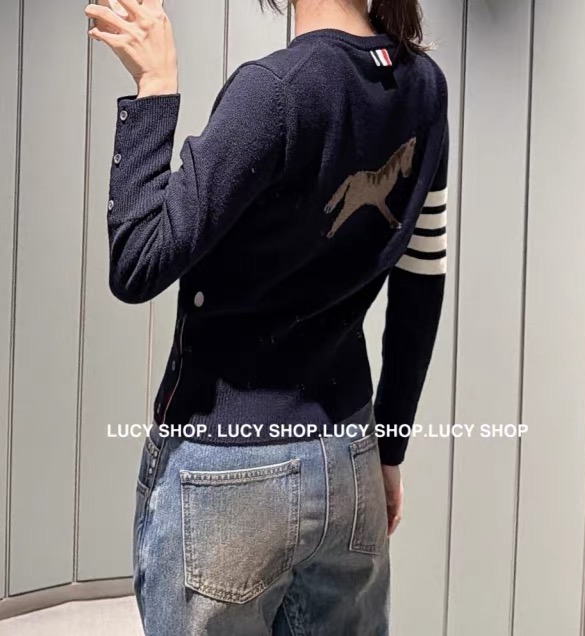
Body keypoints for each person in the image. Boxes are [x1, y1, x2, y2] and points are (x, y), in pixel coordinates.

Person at [84, 0, 448, 633]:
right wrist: (388, 449)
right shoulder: (424, 85)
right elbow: (422, 278)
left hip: (229, 467)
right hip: (349, 459)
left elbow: (138, 260)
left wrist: (155, 87)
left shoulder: (275, 91)